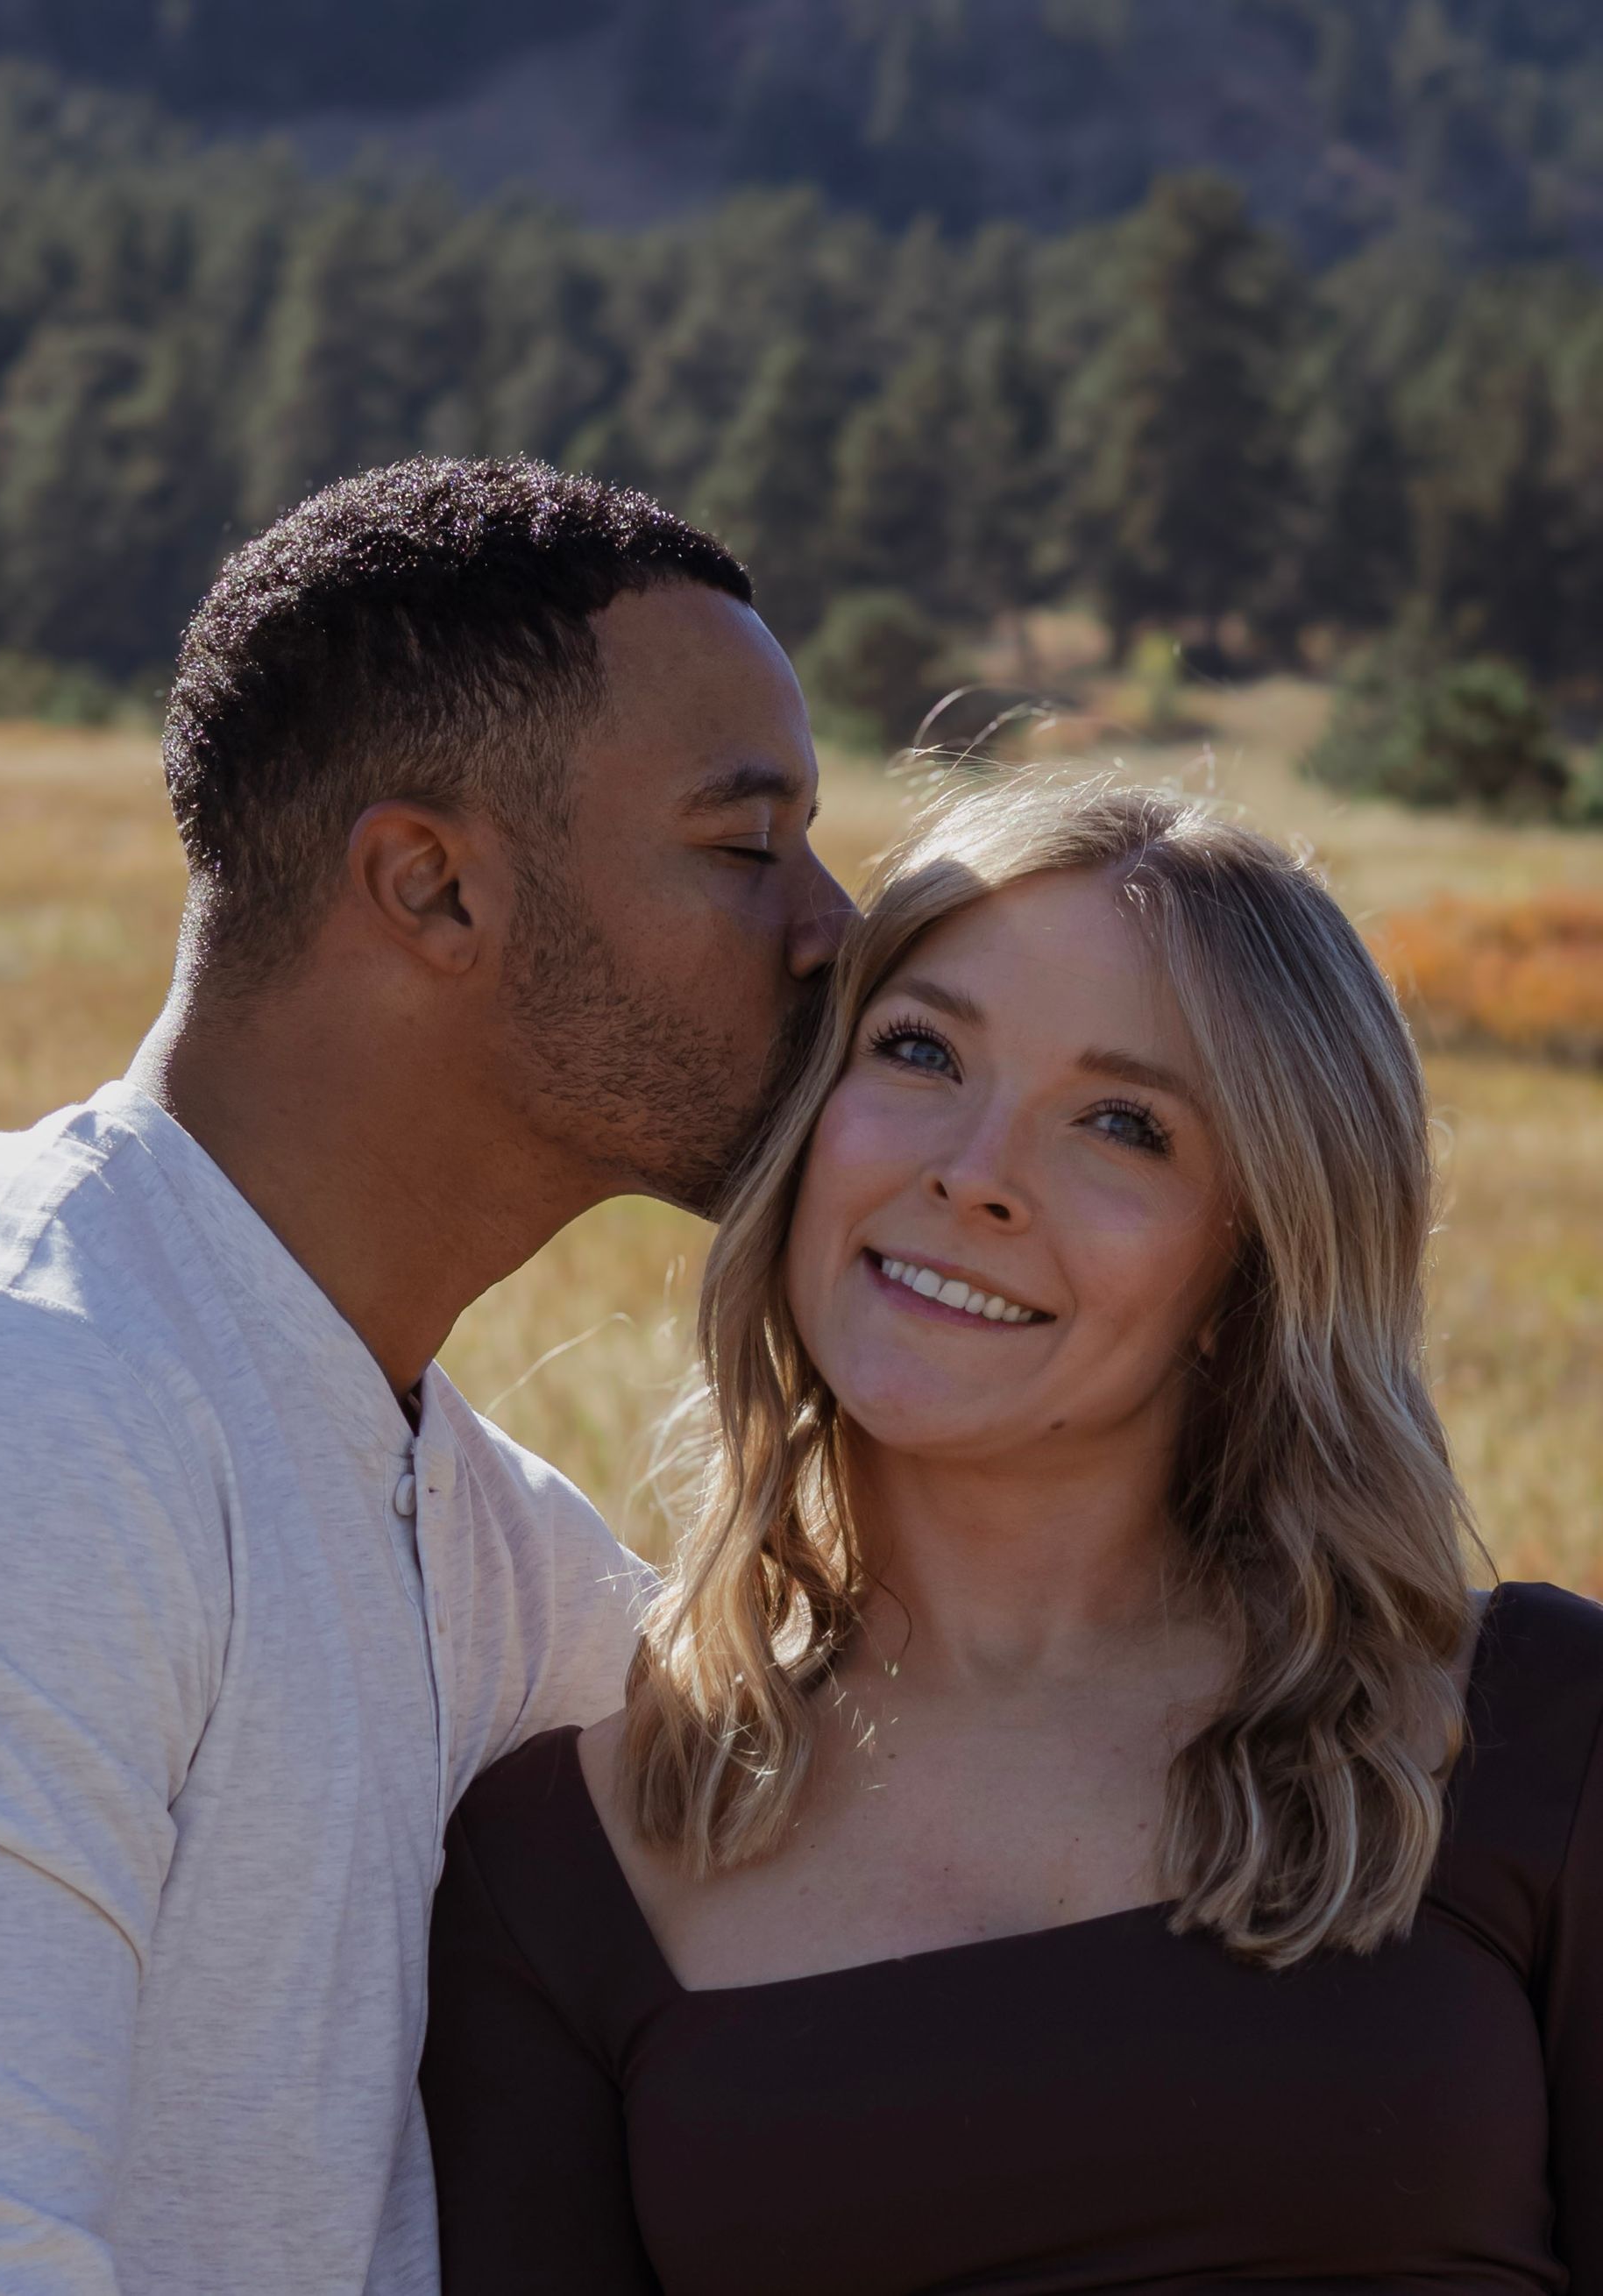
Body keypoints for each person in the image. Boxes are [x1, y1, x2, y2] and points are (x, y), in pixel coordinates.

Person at [423, 771, 1602, 2294]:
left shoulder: (1531, 1738)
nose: (973, 1175)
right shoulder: (569, 1862)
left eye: (1123, 1125)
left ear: (1260, 1263)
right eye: (920, 1051)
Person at [0, 456, 850, 2294]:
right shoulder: (13, 1399)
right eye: (749, 847)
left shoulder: (496, 1545)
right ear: (430, 888)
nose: (833, 924)